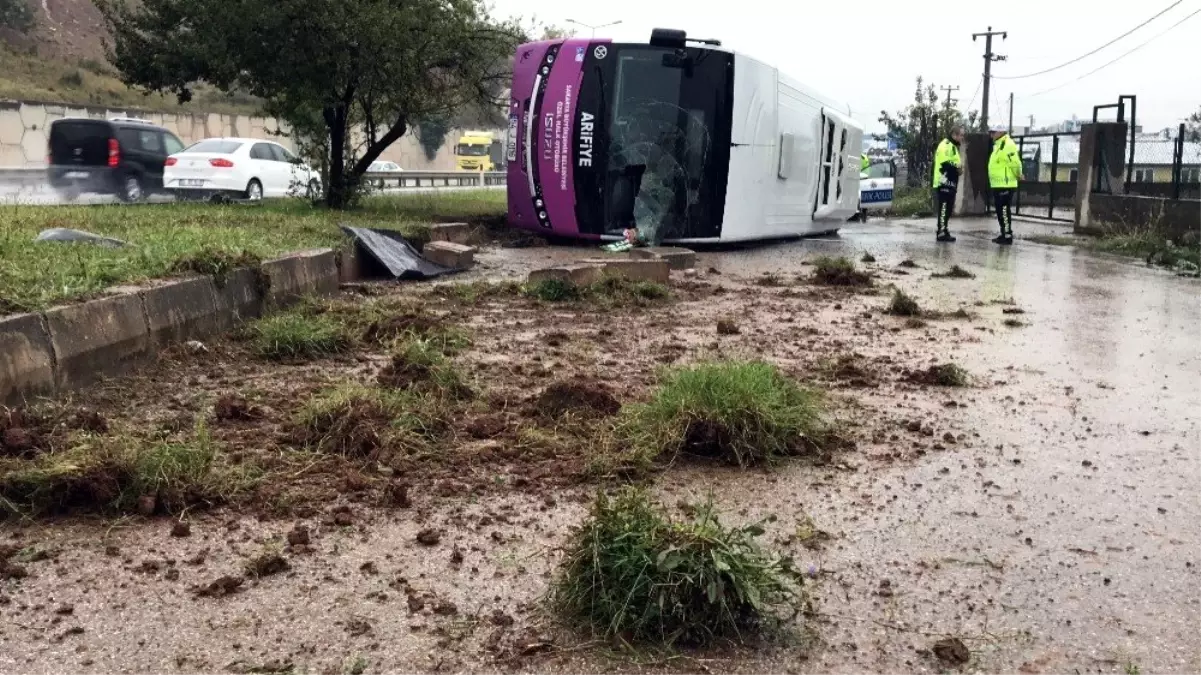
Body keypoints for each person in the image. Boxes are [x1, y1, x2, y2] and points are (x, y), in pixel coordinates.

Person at [988, 123, 1022, 245]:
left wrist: (1019, 174)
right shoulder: (997, 145)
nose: (991, 135)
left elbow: (1015, 162)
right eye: (990, 132)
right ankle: (1004, 233)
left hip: (1006, 183)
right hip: (998, 184)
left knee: (1003, 210)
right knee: (999, 210)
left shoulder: (1008, 144)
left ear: (1000, 132)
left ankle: (1007, 235)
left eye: (993, 132)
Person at [932, 125, 964, 243]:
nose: (962, 137)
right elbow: (945, 162)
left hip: (951, 182)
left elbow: (956, 163)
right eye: (960, 135)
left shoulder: (953, 147)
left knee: (948, 208)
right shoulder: (945, 145)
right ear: (954, 135)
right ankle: (941, 232)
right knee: (944, 208)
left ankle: (944, 229)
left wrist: (959, 169)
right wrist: (958, 167)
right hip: (944, 181)